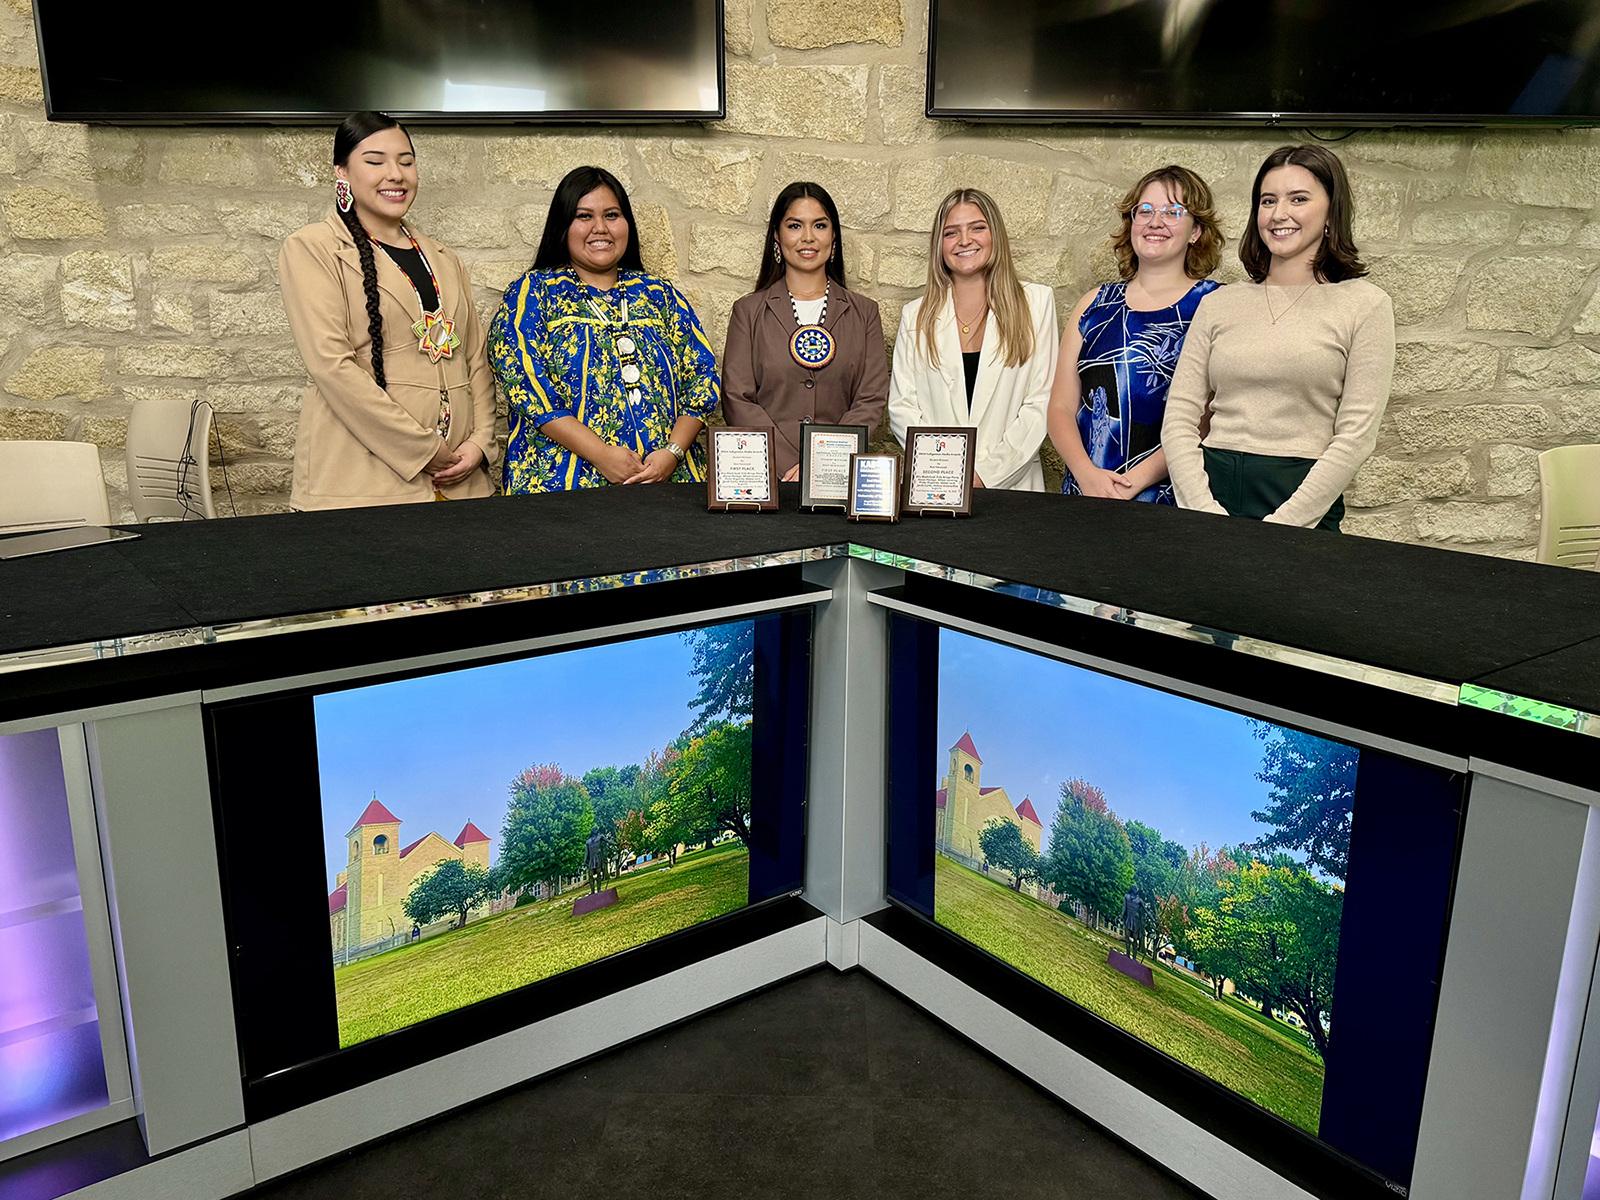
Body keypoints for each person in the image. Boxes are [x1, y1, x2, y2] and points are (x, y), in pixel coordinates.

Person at [1161, 146, 1395, 530]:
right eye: (1268, 201)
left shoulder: (1365, 305)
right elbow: (1179, 419)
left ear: (1331, 213)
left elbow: (1356, 437)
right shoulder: (1219, 303)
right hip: (1210, 488)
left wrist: (1285, 525)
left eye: (1298, 199)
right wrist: (1201, 509)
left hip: (1300, 495)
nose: (1278, 213)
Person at [279, 112, 498, 509]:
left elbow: (475, 362)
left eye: (407, 161)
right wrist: (422, 448)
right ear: (342, 172)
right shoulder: (314, 248)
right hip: (363, 486)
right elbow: (332, 366)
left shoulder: (445, 259)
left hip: (462, 486)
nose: (395, 174)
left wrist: (481, 442)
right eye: (375, 161)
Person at [490, 166, 719, 493]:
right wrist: (601, 455)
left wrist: (673, 453)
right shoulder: (533, 293)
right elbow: (525, 382)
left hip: (670, 486)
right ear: (562, 225)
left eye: (612, 215)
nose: (601, 228)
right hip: (562, 492)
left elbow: (703, 377)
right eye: (584, 216)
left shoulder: (660, 294)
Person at [1047, 165, 1222, 504]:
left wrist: (1131, 483)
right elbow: (1059, 407)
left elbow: (1210, 417)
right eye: (1145, 210)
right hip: (1084, 497)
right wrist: (1088, 476)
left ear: (1196, 231)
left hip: (1173, 502)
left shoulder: (1214, 306)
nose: (1155, 221)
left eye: (1173, 211)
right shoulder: (1094, 305)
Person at [887, 189, 1057, 490]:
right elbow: (902, 408)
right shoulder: (915, 316)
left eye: (977, 227)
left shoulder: (1036, 304)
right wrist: (950, 474)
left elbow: (1040, 403)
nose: (965, 241)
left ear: (996, 235)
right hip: (937, 488)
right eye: (951, 233)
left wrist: (986, 476)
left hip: (1014, 487)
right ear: (939, 245)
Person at [721, 182, 888, 480]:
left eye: (820, 225)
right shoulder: (748, 312)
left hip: (838, 480)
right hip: (770, 477)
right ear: (777, 235)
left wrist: (822, 463)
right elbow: (737, 399)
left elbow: (870, 398)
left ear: (833, 236)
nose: (808, 237)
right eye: (795, 225)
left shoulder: (865, 313)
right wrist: (788, 466)